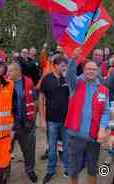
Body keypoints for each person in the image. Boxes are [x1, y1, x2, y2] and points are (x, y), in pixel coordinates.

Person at [66, 48, 110, 184]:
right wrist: (73, 59)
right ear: (83, 71)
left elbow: (106, 111)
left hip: (94, 136)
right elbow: (69, 75)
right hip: (76, 136)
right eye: (88, 69)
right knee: (73, 169)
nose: (91, 71)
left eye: (94, 69)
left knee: (92, 168)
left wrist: (103, 128)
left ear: (98, 72)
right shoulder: (76, 84)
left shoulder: (103, 89)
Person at [39, 55, 69, 183]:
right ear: (55, 65)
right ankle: (50, 171)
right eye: (62, 65)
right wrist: (42, 119)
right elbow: (41, 99)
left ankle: (68, 169)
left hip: (66, 120)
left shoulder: (67, 79)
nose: (64, 68)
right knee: (52, 148)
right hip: (51, 120)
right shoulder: (47, 79)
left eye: (65, 65)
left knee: (67, 146)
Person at [7, 63, 39, 183]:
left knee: (29, 148)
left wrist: (33, 118)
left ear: (17, 71)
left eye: (10, 71)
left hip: (27, 122)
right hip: (10, 124)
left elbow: (35, 100)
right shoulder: (5, 83)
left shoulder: (28, 82)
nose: (8, 74)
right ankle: (5, 172)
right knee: (7, 149)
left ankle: (30, 170)